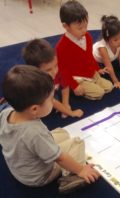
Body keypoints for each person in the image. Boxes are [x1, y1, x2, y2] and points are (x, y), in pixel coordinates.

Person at [0, 65, 100, 193]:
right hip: (38, 177)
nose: (53, 103)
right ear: (35, 109)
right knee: (77, 142)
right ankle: (71, 177)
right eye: (51, 100)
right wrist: (81, 169)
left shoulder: (6, 112)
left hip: (19, 168)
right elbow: (59, 158)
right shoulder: (34, 131)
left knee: (62, 133)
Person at [56, 0, 113, 107]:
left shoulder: (87, 37)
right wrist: (74, 86)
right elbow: (62, 70)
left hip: (91, 73)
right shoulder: (61, 47)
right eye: (79, 28)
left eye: (86, 26)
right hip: (77, 78)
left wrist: (97, 68)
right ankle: (78, 90)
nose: (84, 31)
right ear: (66, 26)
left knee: (109, 87)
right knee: (99, 93)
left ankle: (92, 83)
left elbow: (89, 56)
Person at [22, 38, 84, 118]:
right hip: (33, 97)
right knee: (42, 110)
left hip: (50, 91)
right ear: (35, 70)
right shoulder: (36, 83)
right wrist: (71, 113)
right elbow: (52, 101)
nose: (55, 71)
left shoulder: (57, 70)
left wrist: (66, 104)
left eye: (56, 65)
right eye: (48, 70)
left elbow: (65, 86)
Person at [93, 15, 120, 90]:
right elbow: (109, 66)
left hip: (110, 58)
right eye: (115, 40)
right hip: (94, 60)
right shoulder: (102, 48)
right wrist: (116, 81)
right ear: (107, 39)